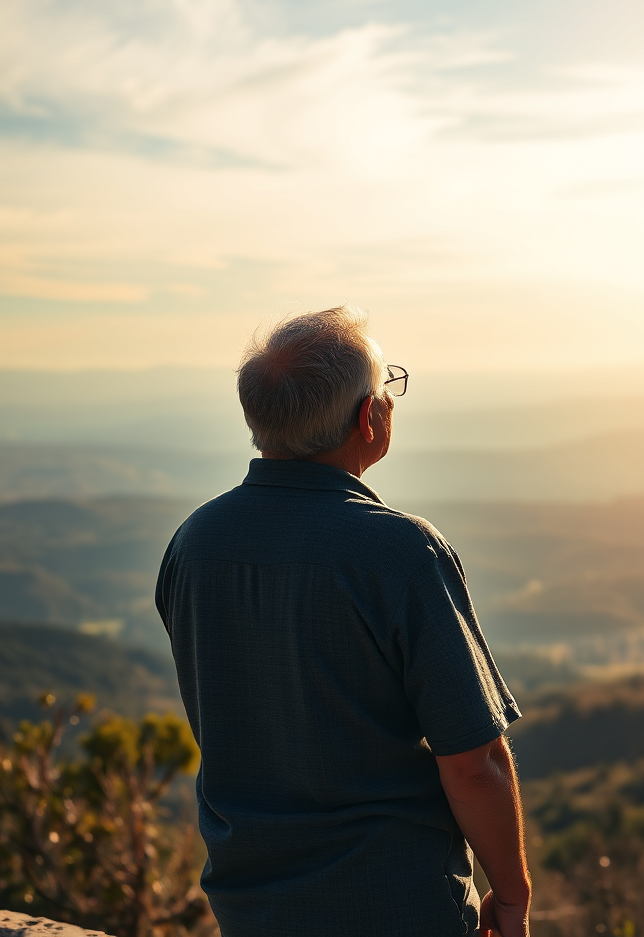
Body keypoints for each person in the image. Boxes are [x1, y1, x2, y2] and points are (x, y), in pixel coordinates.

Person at [156, 307, 531, 937]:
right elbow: (474, 763)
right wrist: (513, 895)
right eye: (389, 388)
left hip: (251, 908)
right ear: (370, 417)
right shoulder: (401, 552)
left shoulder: (193, 543)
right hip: (397, 906)